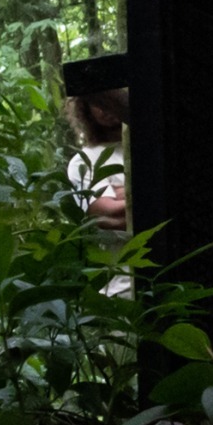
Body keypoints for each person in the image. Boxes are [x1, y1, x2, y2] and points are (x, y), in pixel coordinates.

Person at [64, 88, 133, 297]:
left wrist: (124, 193)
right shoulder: (85, 161)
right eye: (98, 102)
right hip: (122, 291)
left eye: (111, 100)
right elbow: (110, 215)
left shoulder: (151, 147)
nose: (105, 109)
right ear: (84, 109)